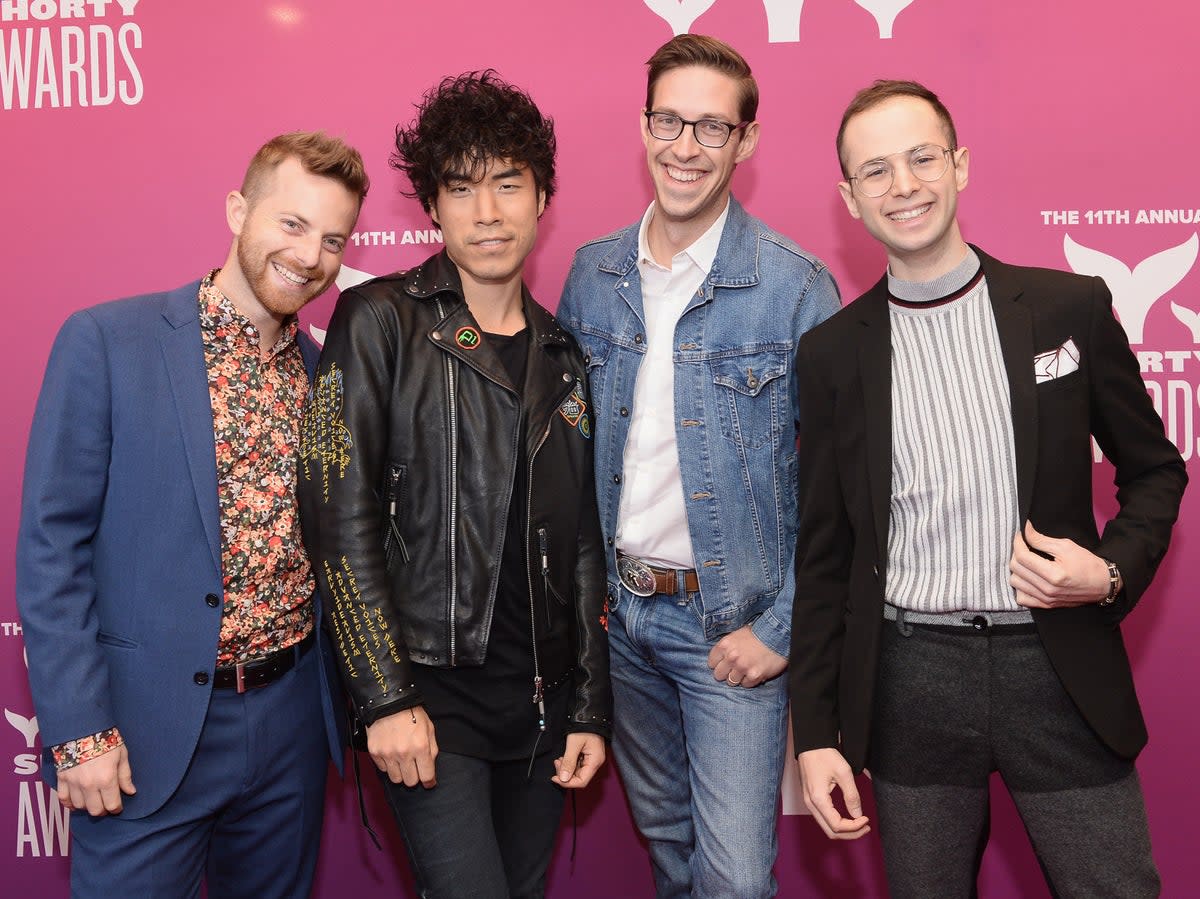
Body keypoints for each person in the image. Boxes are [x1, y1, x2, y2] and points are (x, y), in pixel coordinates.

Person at [790, 79, 1187, 897]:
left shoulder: (1066, 307)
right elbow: (825, 557)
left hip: (1058, 668)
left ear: (960, 165)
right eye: (876, 171)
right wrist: (816, 731)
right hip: (910, 681)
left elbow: (1157, 469)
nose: (904, 185)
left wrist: (1108, 572)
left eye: (922, 157)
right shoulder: (832, 354)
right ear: (848, 198)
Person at [16, 131, 368, 896]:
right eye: (292, 223)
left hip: (290, 727)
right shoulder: (108, 341)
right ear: (238, 210)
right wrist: (78, 730)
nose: (310, 255)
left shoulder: (323, 371)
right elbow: (52, 546)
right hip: (145, 730)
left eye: (332, 239)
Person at [297, 71, 611, 899]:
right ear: (432, 207)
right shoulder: (380, 322)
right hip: (429, 702)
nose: (488, 211)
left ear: (542, 195)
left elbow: (583, 540)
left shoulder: (562, 354)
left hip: (539, 708)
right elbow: (338, 519)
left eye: (508, 183)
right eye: (462, 188)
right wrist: (384, 695)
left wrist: (587, 704)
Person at [557, 34, 841, 899]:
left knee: (735, 880)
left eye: (712, 128)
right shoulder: (592, 274)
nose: (686, 147)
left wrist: (780, 629)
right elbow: (569, 458)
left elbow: (840, 490)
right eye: (670, 121)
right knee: (670, 849)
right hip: (624, 624)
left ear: (746, 142)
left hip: (731, 631)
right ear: (643, 126)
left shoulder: (795, 287)